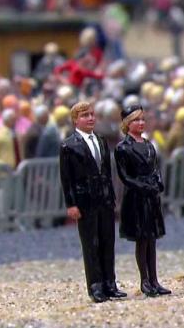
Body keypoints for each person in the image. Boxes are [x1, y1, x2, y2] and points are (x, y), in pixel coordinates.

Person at [59, 101, 125, 303]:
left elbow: (106, 171)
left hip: (104, 198)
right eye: (85, 115)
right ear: (75, 120)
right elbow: (66, 178)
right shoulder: (69, 146)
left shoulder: (101, 140)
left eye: (91, 115)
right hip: (84, 200)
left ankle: (109, 283)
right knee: (91, 243)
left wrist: (111, 196)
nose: (90, 118)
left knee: (107, 241)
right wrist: (71, 204)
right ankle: (95, 285)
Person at [114, 105, 171, 297]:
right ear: (127, 124)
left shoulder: (148, 145)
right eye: (136, 120)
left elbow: (156, 167)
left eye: (142, 120)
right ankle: (144, 280)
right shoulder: (123, 148)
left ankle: (154, 279)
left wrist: (158, 182)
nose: (140, 123)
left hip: (151, 197)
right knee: (142, 239)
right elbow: (124, 176)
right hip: (136, 197)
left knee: (152, 238)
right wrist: (143, 186)